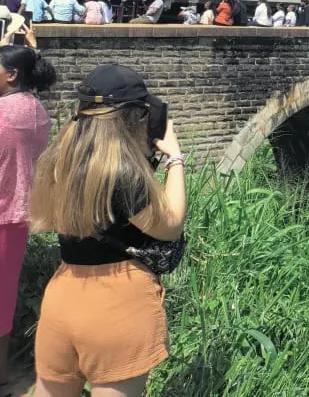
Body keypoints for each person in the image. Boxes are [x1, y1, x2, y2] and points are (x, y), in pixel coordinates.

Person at [29, 64, 186, 397]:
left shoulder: (61, 160)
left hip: (63, 296)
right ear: (135, 117)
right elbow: (169, 226)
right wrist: (174, 160)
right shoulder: (124, 174)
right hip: (117, 303)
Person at [0, 31, 55, 393]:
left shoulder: (4, 114)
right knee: (4, 298)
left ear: (11, 75)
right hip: (18, 217)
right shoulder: (37, 110)